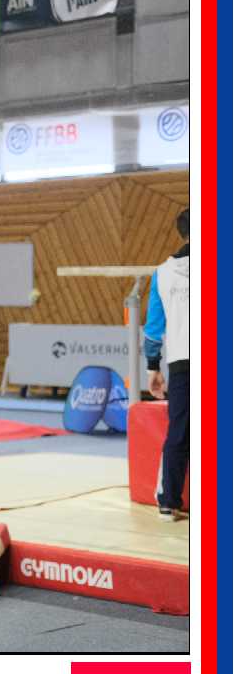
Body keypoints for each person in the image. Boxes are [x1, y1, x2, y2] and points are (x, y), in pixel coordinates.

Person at [144, 208, 190, 522]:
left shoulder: (162, 273)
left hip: (182, 362)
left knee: (179, 433)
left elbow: (153, 329)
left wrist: (153, 367)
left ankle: (168, 502)